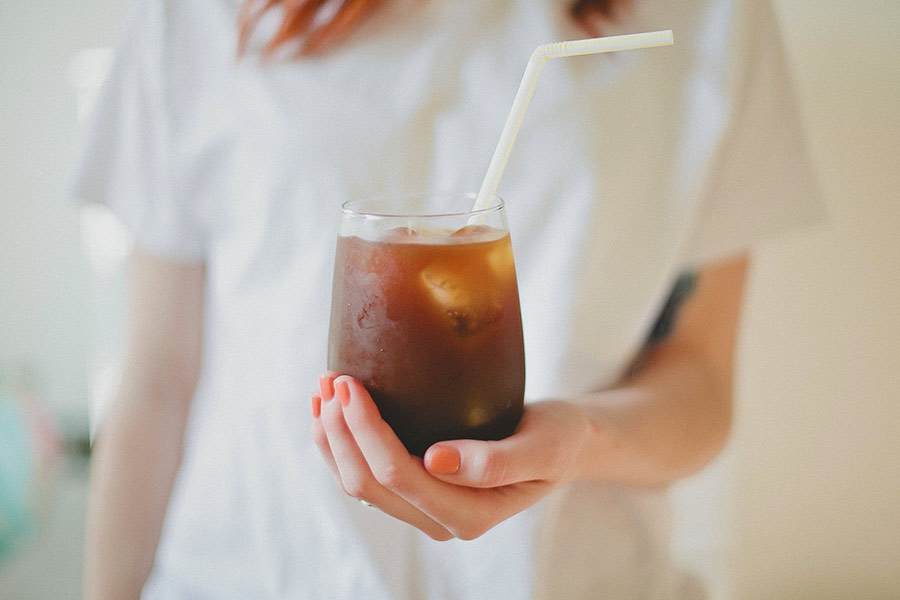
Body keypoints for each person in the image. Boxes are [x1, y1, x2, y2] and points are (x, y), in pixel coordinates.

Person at [71, 0, 822, 598]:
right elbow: (156, 381)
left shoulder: (713, 14)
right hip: (248, 571)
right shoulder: (196, 14)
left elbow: (700, 376)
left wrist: (583, 439)